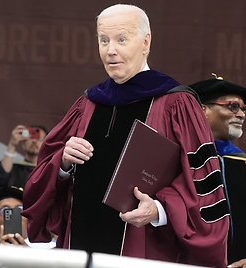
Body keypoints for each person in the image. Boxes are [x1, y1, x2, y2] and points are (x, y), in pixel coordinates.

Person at [22, 4, 229, 267]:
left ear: (145, 42)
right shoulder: (88, 104)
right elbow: (40, 183)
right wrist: (62, 162)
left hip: (146, 248)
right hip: (80, 245)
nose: (111, 50)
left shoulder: (176, 104)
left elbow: (203, 186)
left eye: (122, 39)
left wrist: (160, 210)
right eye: (103, 40)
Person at [189, 76, 246, 267]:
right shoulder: (179, 158)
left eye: (243, 109)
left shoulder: (241, 163)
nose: (241, 115)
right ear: (202, 110)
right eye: (233, 106)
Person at [0, 125, 48, 192]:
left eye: (39, 138)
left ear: (46, 142)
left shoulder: (50, 169)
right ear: (23, 143)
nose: (34, 141)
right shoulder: (14, 168)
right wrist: (12, 144)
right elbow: (0, 181)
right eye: (31, 137)